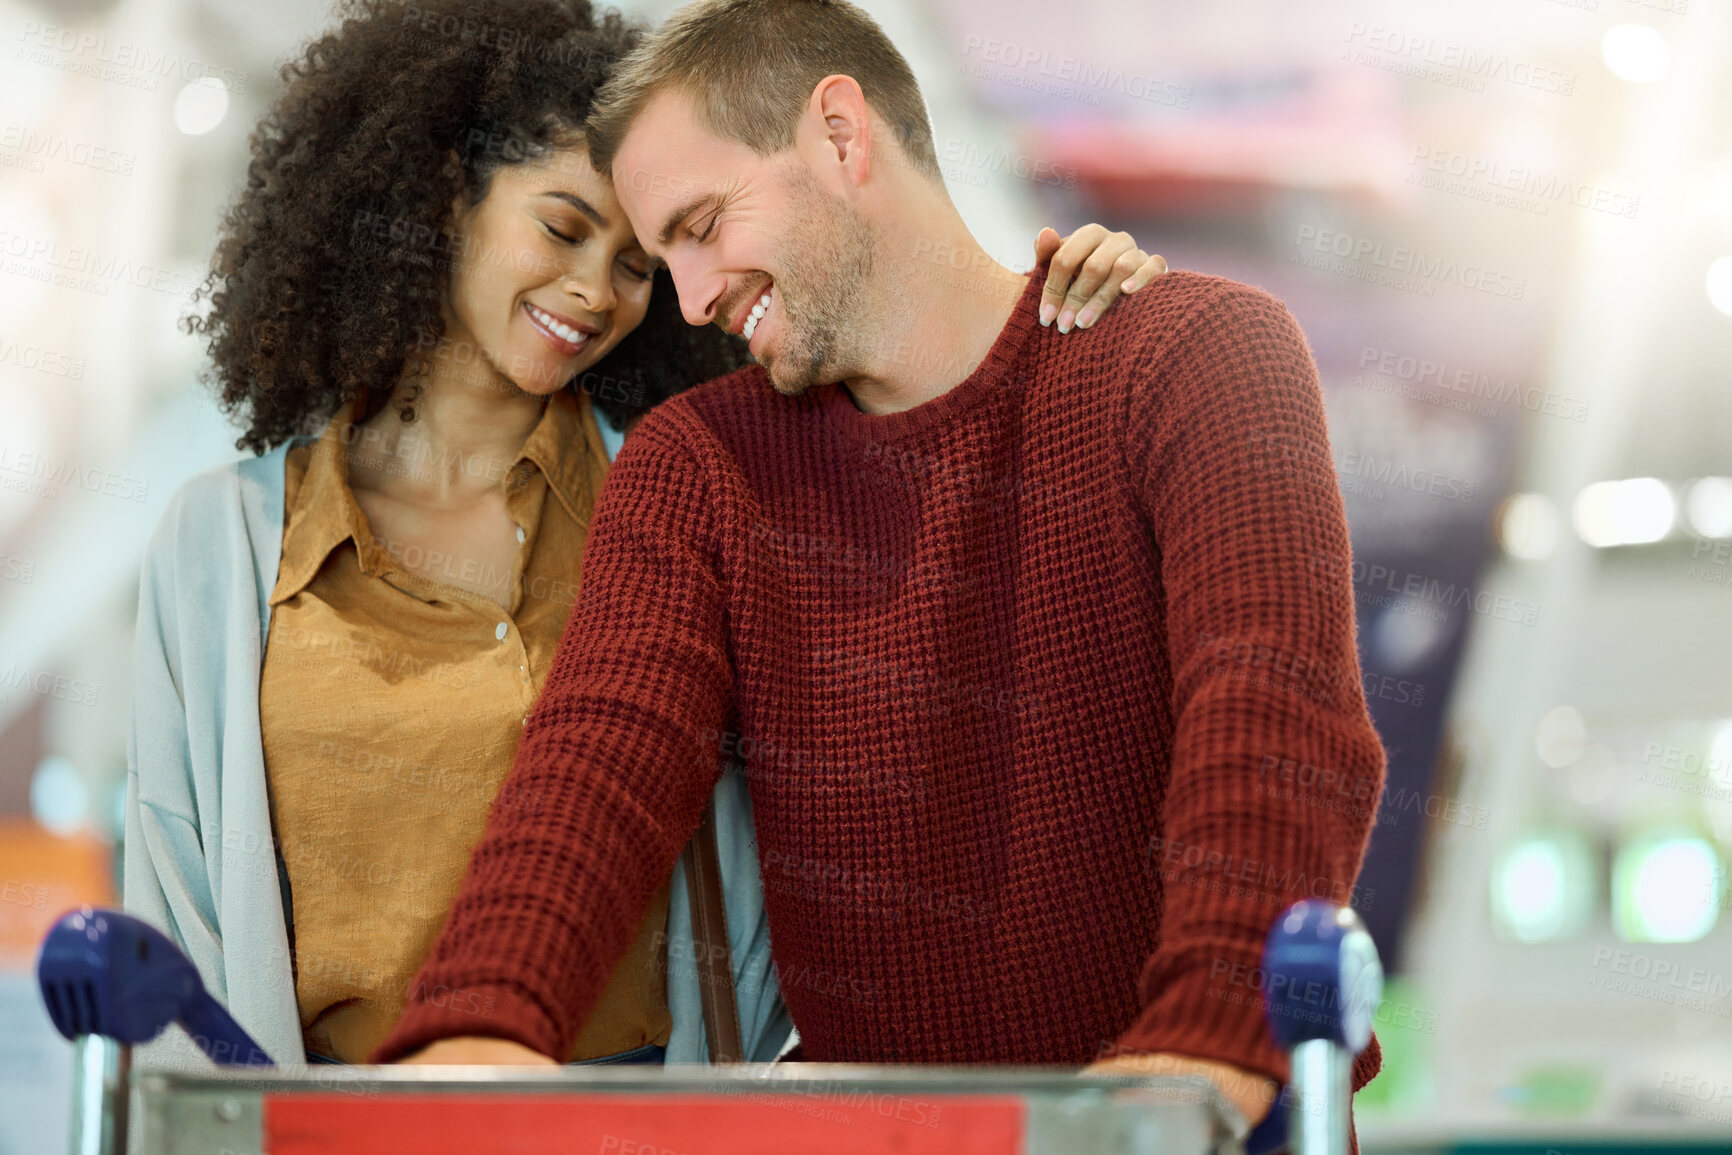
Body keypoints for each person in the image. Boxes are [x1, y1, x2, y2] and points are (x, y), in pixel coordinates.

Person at [375, 0, 1391, 1128]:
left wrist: (1200, 1056)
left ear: (841, 135)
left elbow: (1273, 719)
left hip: (1207, 1121)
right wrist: (482, 1023)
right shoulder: (699, 466)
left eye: (702, 224)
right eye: (665, 259)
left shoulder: (1194, 356)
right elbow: (602, 758)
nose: (695, 299)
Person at [123, 0, 1170, 1072]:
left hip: (646, 1118)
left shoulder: (696, 499)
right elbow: (178, 911)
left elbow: (944, 503)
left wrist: (1074, 315)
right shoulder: (226, 546)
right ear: (443, 202)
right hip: (325, 1128)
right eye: (563, 228)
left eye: (640, 262)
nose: (597, 291)